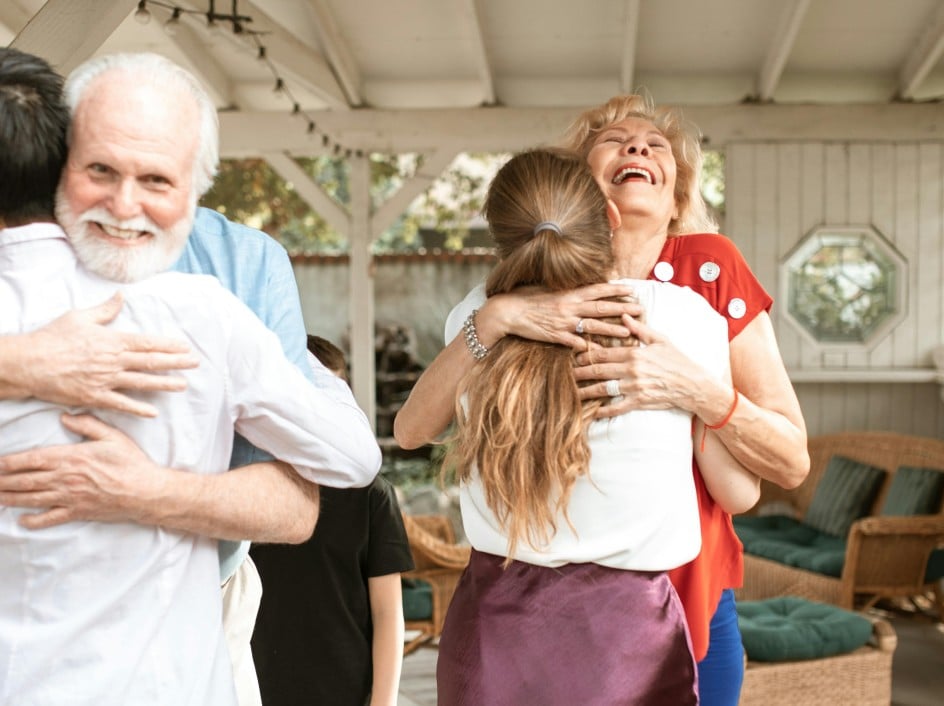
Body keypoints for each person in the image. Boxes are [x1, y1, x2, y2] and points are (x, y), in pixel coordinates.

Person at [395, 95, 810, 704]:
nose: (638, 146)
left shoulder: (705, 281)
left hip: (652, 588)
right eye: (615, 139)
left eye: (656, 144)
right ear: (584, 196)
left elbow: (411, 430)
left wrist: (691, 388)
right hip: (634, 608)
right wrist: (502, 314)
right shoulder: (674, 317)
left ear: (677, 205)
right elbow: (741, 492)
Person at [0, 48, 380, 705]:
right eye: (99, 169)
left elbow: (305, 500)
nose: (123, 206)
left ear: (198, 186)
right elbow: (354, 453)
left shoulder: (234, 276)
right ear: (60, 160)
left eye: (156, 180)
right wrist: (19, 363)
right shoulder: (201, 316)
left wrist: (146, 491)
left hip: (195, 630)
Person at [251, 335, 415, 706]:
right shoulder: (251, 486)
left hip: (347, 689)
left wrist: (384, 702)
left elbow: (388, 612)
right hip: (257, 687)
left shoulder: (372, 495)